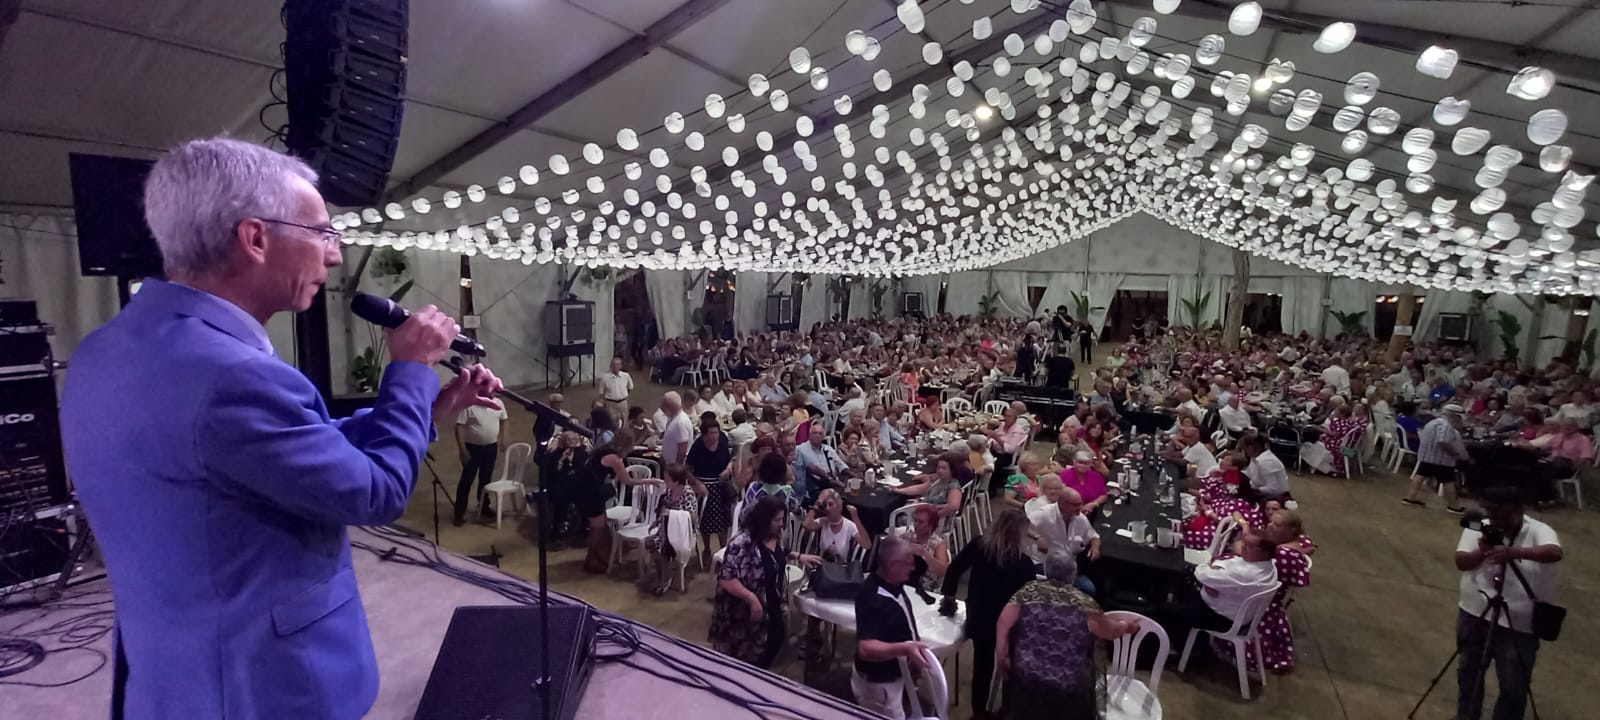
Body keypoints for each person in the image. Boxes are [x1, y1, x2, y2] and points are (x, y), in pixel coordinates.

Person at [59, 138, 505, 720]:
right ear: (256, 238)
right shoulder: (232, 376)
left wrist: (428, 407)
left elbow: (283, 454)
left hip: (169, 671)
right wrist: (411, 370)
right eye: (321, 232)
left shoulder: (104, 350)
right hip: (259, 688)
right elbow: (376, 493)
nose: (335, 256)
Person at [1453, 489, 1562, 720]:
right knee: (1468, 673)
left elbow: (1554, 552)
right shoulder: (1480, 526)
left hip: (1519, 622)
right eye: (1493, 515)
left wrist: (1514, 552)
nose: (1497, 521)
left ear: (1518, 510)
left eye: (1503, 515)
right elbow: (1461, 561)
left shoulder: (1540, 530)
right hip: (1475, 612)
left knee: (1514, 684)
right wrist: (1482, 551)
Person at [994, 551, 1138, 719]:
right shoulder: (1084, 603)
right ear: (1073, 575)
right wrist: (1127, 626)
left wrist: (1002, 656)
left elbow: (1003, 623)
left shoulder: (1027, 592)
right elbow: (1110, 631)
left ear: (1047, 570)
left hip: (1026, 677)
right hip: (1067, 685)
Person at [937, 509, 1037, 715]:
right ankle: (1007, 710)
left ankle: (979, 712)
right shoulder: (1025, 564)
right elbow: (1028, 601)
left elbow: (954, 568)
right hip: (1008, 626)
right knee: (1010, 669)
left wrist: (949, 596)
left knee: (982, 667)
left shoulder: (979, 545)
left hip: (979, 617)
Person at [711, 496, 821, 668]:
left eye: (782, 519)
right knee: (748, 660)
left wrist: (797, 555)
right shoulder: (742, 543)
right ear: (764, 519)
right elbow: (726, 578)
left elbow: (774, 555)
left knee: (775, 643)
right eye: (777, 519)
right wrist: (750, 598)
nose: (782, 523)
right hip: (743, 616)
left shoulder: (773, 535)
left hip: (771, 605)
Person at [852, 537, 930, 720]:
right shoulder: (871, 597)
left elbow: (923, 568)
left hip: (893, 678)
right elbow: (866, 649)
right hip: (879, 687)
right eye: (908, 564)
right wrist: (905, 649)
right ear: (893, 565)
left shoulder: (893, 582)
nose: (912, 569)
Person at [1166, 532, 1280, 632]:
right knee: (1179, 578)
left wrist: (1210, 570)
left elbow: (1202, 574)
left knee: (1162, 612)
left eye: (1250, 546)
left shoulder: (1246, 573)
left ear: (1265, 552)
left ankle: (1178, 644)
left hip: (1221, 617)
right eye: (1243, 543)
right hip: (1227, 605)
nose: (1243, 547)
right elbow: (1227, 563)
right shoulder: (1269, 565)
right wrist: (1213, 581)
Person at [645, 465, 708, 595]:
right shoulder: (668, 492)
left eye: (667, 478)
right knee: (652, 544)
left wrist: (672, 513)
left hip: (683, 532)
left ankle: (664, 580)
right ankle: (663, 575)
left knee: (663, 548)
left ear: (675, 481)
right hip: (667, 528)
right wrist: (657, 522)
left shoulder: (688, 494)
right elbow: (664, 512)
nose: (664, 480)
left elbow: (693, 518)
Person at [1026, 486, 1101, 594]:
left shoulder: (1080, 518)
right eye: (1075, 505)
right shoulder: (1044, 514)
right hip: (1045, 565)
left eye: (1080, 503)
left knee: (1089, 590)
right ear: (1062, 503)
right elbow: (1021, 526)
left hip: (1068, 567)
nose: (1080, 507)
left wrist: (1095, 548)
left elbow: (1094, 536)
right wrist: (1037, 537)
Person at [1402, 403, 1471, 514]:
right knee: (1448, 481)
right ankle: (1453, 506)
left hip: (1427, 456)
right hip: (1441, 459)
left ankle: (1410, 498)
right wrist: (1454, 452)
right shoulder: (1446, 425)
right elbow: (1443, 441)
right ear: (1454, 416)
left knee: (1420, 475)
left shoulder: (1433, 422)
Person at [454, 393, 509, 526]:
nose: (492, 392)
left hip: (491, 448)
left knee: (486, 478)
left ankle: (484, 506)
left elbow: (504, 420)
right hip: (473, 449)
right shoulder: (469, 405)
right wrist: (462, 449)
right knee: (467, 480)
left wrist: (503, 437)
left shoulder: (498, 403)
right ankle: (459, 512)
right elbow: (459, 426)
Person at [688, 414, 736, 558]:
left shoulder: (722, 440)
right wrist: (697, 484)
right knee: (705, 522)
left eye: (716, 432)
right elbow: (686, 469)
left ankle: (723, 549)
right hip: (704, 487)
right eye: (711, 433)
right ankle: (707, 549)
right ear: (704, 434)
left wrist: (728, 469)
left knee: (724, 521)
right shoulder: (698, 446)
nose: (715, 436)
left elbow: (730, 460)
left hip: (721, 486)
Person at [803, 489, 872, 561]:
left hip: (841, 569)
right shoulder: (823, 521)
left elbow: (867, 545)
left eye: (831, 504)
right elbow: (806, 525)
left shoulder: (849, 525)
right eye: (824, 505)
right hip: (823, 567)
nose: (827, 508)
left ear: (839, 506)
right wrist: (818, 503)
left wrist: (855, 518)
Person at [896, 503, 951, 593]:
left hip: (927, 589)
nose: (916, 525)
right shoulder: (908, 537)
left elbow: (942, 571)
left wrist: (924, 554)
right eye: (915, 520)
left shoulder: (939, 544)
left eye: (921, 522)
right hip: (905, 584)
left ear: (931, 525)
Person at [894, 452, 968, 517]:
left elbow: (954, 507)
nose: (940, 470)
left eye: (944, 468)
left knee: (897, 518)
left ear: (952, 470)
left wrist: (934, 516)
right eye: (938, 468)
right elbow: (920, 488)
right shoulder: (939, 480)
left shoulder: (953, 486)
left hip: (930, 522)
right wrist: (898, 490)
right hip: (922, 511)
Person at [797, 421, 850, 496]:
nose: (817, 435)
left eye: (820, 433)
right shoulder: (801, 449)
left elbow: (840, 464)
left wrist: (851, 474)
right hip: (815, 486)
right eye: (815, 433)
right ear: (809, 435)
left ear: (823, 437)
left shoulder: (828, 449)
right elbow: (811, 468)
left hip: (834, 483)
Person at [1240, 434, 1291, 502]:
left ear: (1250, 447)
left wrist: (1252, 489)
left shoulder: (1267, 462)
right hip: (1259, 492)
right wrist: (1232, 473)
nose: (1244, 452)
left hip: (1275, 497)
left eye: (1244, 449)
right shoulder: (1254, 458)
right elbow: (1248, 474)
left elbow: (1273, 489)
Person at [1059, 450, 1110, 515]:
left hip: (1091, 513)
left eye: (1086, 463)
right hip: (1068, 512)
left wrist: (1093, 504)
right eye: (1080, 462)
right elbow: (1059, 495)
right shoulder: (1064, 475)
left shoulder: (1096, 476)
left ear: (1091, 464)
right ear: (1074, 462)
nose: (1082, 465)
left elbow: (1103, 495)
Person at [658, 391, 695, 467]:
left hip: (675, 467)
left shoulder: (680, 423)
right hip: (669, 464)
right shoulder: (673, 418)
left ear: (668, 407)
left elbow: (682, 448)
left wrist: (677, 468)